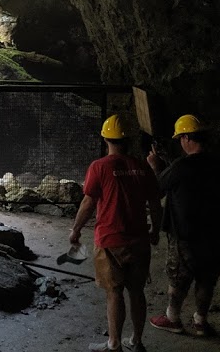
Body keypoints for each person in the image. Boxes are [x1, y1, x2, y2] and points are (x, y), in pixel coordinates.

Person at [70, 114, 162, 352]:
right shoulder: (142, 167)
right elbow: (154, 202)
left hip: (110, 240)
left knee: (114, 292)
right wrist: (155, 230)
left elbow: (88, 203)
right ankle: (137, 341)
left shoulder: (99, 167)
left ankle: (114, 344)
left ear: (105, 138)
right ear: (129, 140)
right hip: (139, 239)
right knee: (137, 291)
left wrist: (76, 230)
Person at [146, 114, 220, 337]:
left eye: (181, 138)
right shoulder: (216, 164)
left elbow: (159, 186)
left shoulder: (181, 166)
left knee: (179, 277)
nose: (180, 142)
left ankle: (172, 318)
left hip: (185, 234)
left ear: (187, 137)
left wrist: (154, 166)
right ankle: (201, 321)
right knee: (206, 278)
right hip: (212, 234)